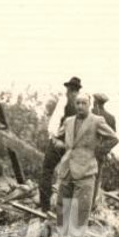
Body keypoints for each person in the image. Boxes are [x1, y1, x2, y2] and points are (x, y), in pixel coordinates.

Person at [52, 92, 119, 237]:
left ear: (90, 105)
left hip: (86, 170)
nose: (80, 106)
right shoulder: (68, 121)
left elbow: (114, 138)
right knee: (63, 205)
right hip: (67, 168)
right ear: (75, 105)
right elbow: (57, 136)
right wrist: (60, 145)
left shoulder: (97, 121)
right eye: (78, 103)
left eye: (84, 103)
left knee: (81, 209)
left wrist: (97, 152)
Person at [40, 76, 82, 209]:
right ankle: (64, 209)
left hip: (58, 143)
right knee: (67, 178)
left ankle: (45, 206)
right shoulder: (81, 106)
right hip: (71, 147)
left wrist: (53, 138)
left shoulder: (64, 102)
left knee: (47, 171)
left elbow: (55, 122)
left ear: (68, 89)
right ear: (77, 90)